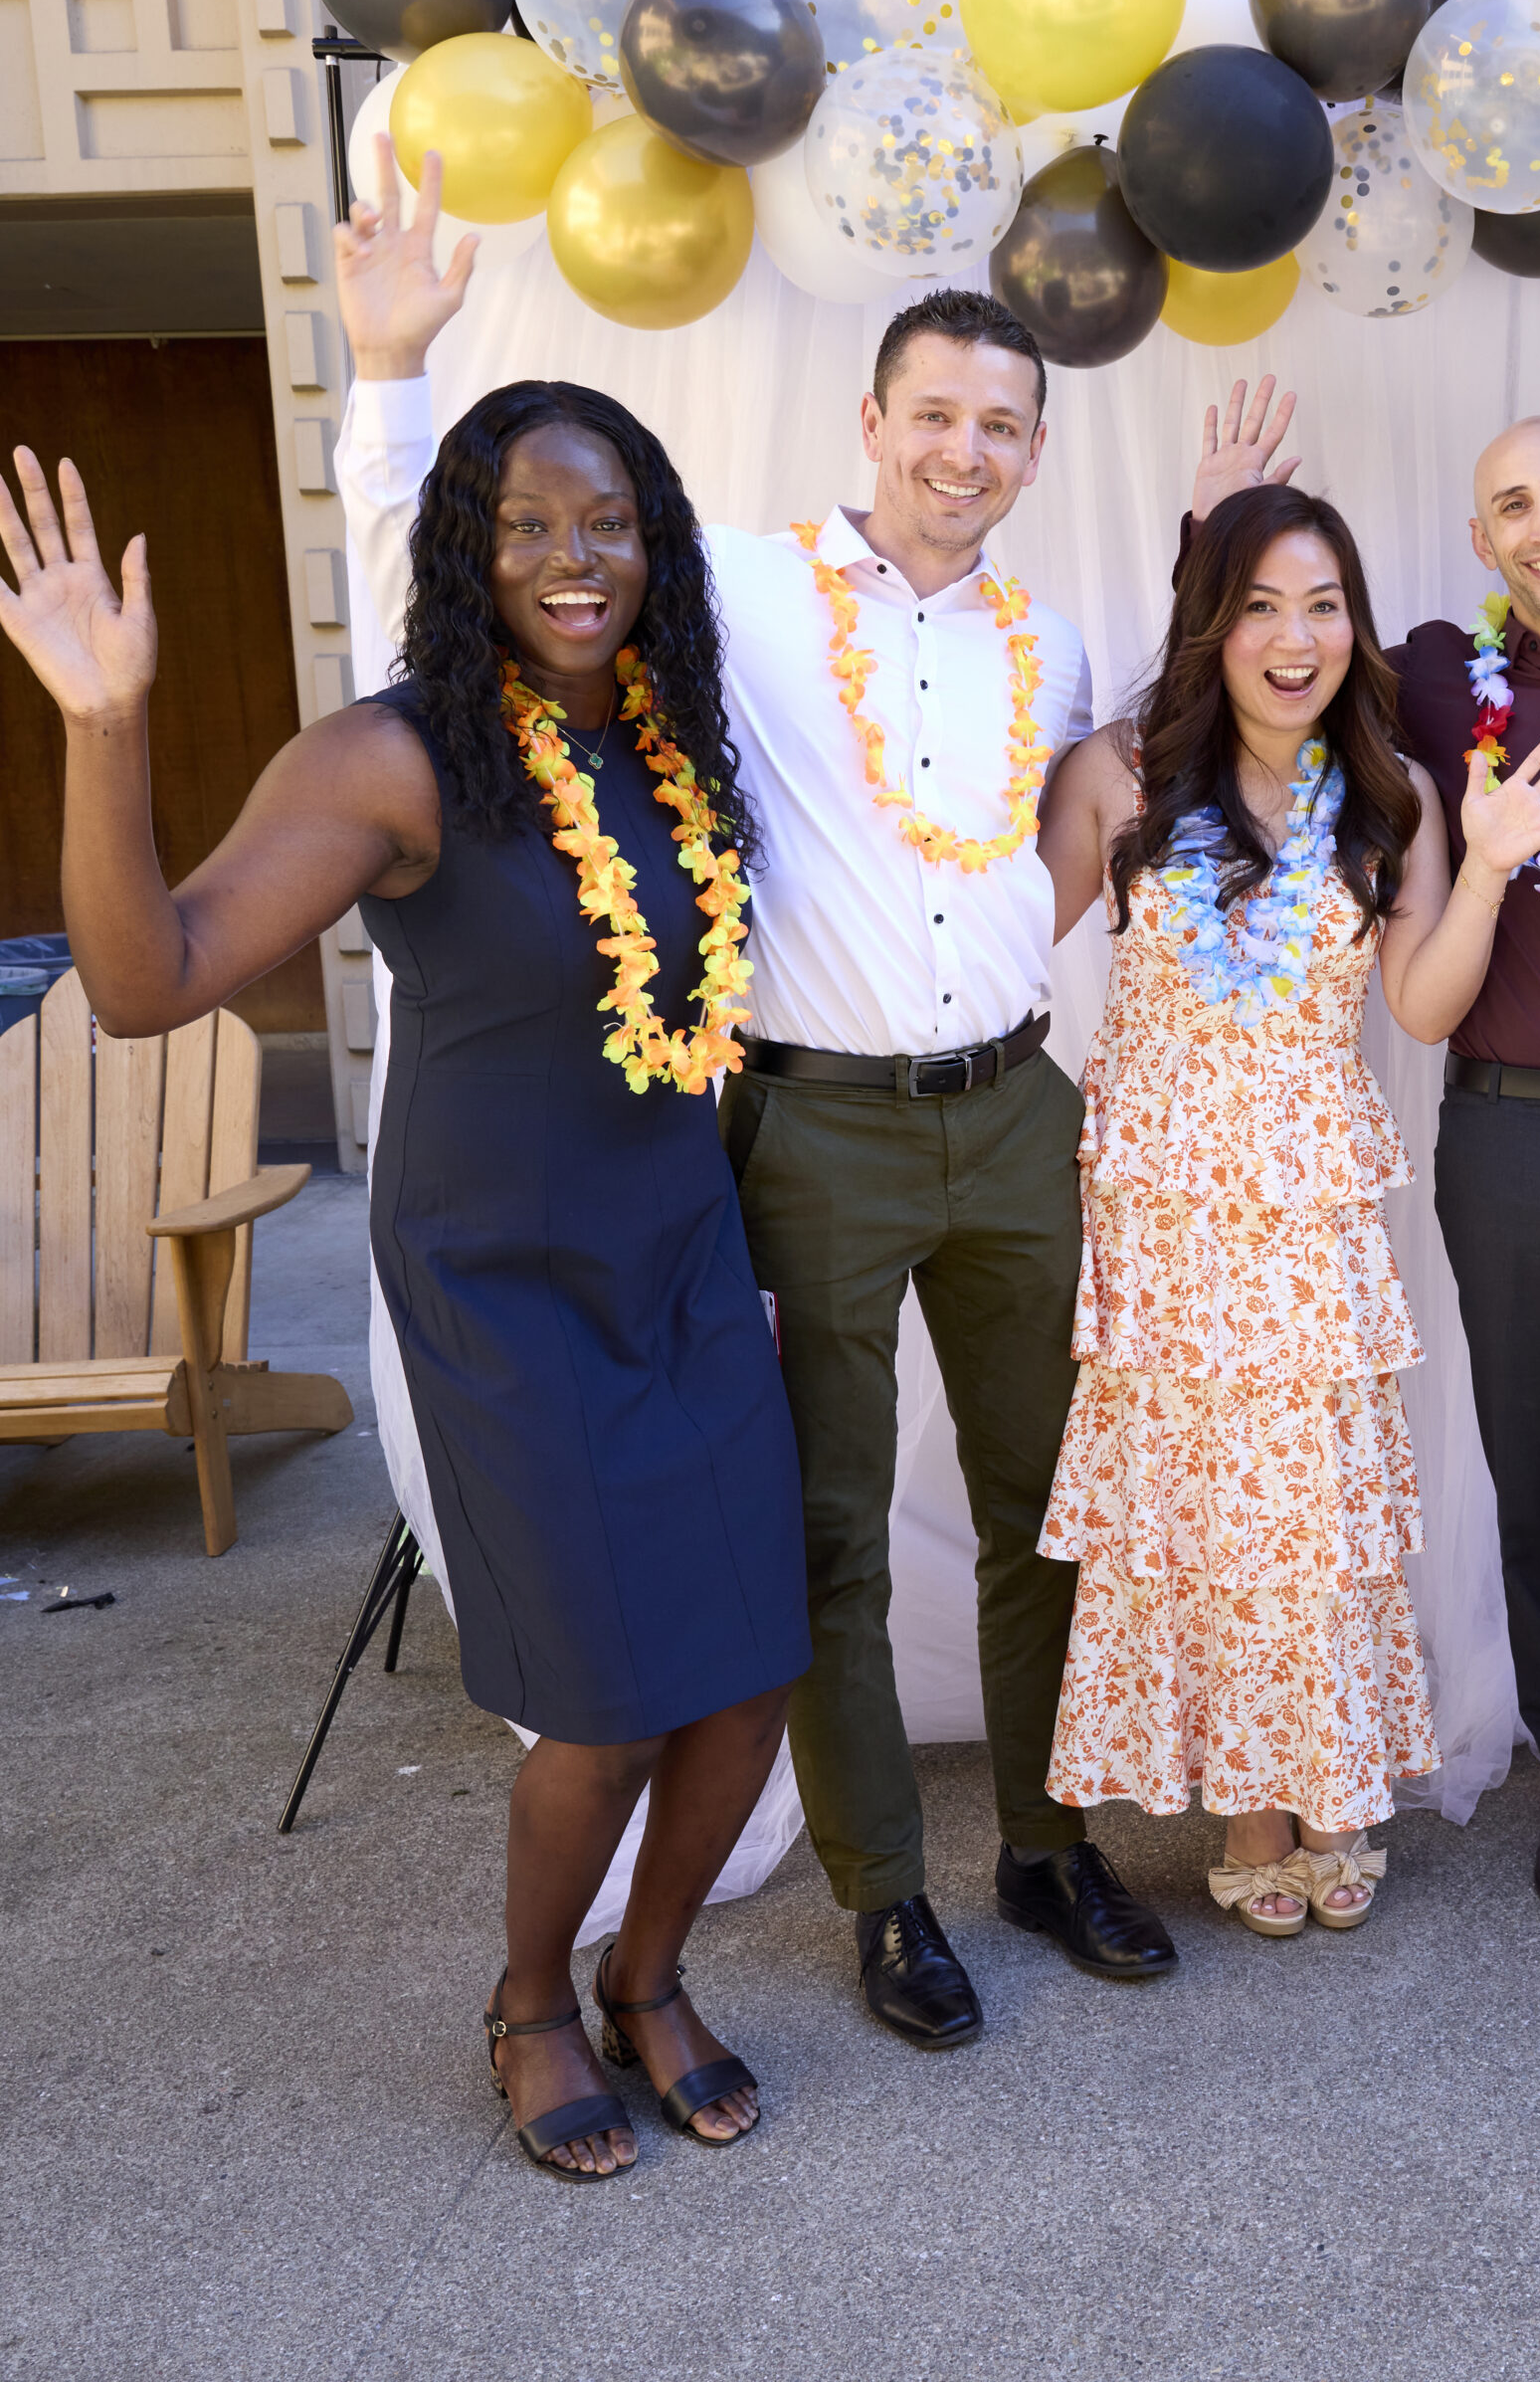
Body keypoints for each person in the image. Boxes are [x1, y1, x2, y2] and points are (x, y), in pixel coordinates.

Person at [332, 149, 1174, 2056]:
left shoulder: (1036, 637)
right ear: (872, 422)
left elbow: (1077, 812)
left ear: (1036, 451)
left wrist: (1209, 556)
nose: (965, 450)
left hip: (1019, 1108)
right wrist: (391, 375)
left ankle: (1047, 1842)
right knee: (832, 1534)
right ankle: (890, 1899)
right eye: (936, 415)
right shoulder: (746, 601)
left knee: (1057, 1503)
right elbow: (460, 585)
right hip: (814, 1126)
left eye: (1002, 425)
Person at [0, 382, 810, 2180]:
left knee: (754, 1665)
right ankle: (532, 2000)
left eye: (603, 522)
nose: (571, 559)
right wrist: (107, 722)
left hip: (678, 1249)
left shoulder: (677, 732)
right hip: (500, 1278)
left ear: (653, 540)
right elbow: (148, 982)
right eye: (525, 525)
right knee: (601, 1702)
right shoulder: (393, 759)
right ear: (470, 548)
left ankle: (649, 1979)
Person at [1193, 385, 1540, 1982]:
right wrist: (1212, 525)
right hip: (1496, 1131)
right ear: (1480, 533)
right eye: (1515, 506)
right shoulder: (1431, 675)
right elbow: (1256, 676)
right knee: (1533, 1476)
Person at [1034, 484, 1540, 1933]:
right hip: (1162, 1201)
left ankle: (1333, 1795)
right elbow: (986, 950)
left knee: (1309, 1513)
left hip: (1305, 1203)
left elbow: (1419, 1002)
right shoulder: (1118, 775)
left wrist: (1479, 868)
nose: (1296, 639)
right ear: (1213, 623)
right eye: (1260, 607)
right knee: (1202, 1513)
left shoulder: (1390, 797)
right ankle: (1254, 1813)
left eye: (1324, 605)